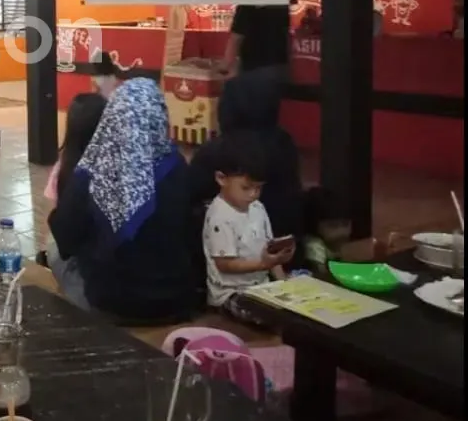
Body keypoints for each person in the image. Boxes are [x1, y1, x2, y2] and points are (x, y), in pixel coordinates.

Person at [47, 78, 194, 322]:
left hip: (113, 305)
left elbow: (66, 239)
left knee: (54, 249)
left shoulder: (94, 168)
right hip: (175, 302)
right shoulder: (177, 166)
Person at [189, 67, 303, 245]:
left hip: (233, 248)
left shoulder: (218, 150)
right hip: (285, 243)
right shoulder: (284, 142)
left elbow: (190, 196)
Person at [202, 135, 295, 326]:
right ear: (221, 178)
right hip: (230, 293)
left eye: (258, 188)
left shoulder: (257, 207)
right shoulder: (220, 216)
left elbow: (270, 250)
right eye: (246, 188)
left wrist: (283, 281)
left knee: (293, 309)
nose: (253, 194)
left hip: (262, 287)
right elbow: (225, 264)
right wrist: (263, 264)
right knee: (263, 316)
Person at [37, 92, 107, 266]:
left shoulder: (65, 167)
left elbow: (57, 216)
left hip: (84, 259)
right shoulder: (119, 163)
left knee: (53, 249)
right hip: (112, 256)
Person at [220, 3, 290, 77]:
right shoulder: (292, 4)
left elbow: (236, 38)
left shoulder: (250, 3)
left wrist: (226, 66)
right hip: (285, 67)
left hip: (254, 67)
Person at [301, 186, 353, 273]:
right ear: (314, 225)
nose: (342, 231)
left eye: (346, 224)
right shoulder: (314, 246)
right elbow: (321, 274)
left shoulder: (337, 243)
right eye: (333, 226)